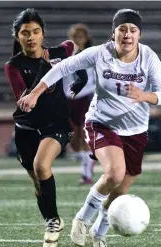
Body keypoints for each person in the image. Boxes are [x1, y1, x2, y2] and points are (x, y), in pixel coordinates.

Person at [17, 8, 161, 247]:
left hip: (135, 131)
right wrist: (35, 92)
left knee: (119, 192)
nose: (127, 34)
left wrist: (144, 96)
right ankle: (82, 218)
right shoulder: (101, 53)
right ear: (114, 33)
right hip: (102, 123)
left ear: (139, 35)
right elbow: (63, 67)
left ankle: (98, 234)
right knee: (114, 173)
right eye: (122, 29)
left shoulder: (149, 58)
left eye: (132, 30)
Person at [4, 8, 86, 247]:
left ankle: (51, 222)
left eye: (36, 32)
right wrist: (45, 65)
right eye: (25, 33)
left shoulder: (59, 52)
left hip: (56, 124)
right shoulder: (14, 66)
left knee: (42, 165)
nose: (31, 37)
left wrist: (79, 75)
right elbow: (26, 100)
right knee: (38, 181)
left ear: (43, 34)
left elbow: (72, 45)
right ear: (17, 36)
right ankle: (52, 218)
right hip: (26, 128)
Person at [63, 23, 96, 184]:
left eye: (80, 36)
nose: (77, 39)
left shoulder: (91, 56)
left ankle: (87, 173)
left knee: (85, 137)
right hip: (70, 100)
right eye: (74, 36)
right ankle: (88, 162)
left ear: (86, 38)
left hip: (86, 98)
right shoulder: (66, 56)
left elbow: (95, 80)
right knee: (74, 140)